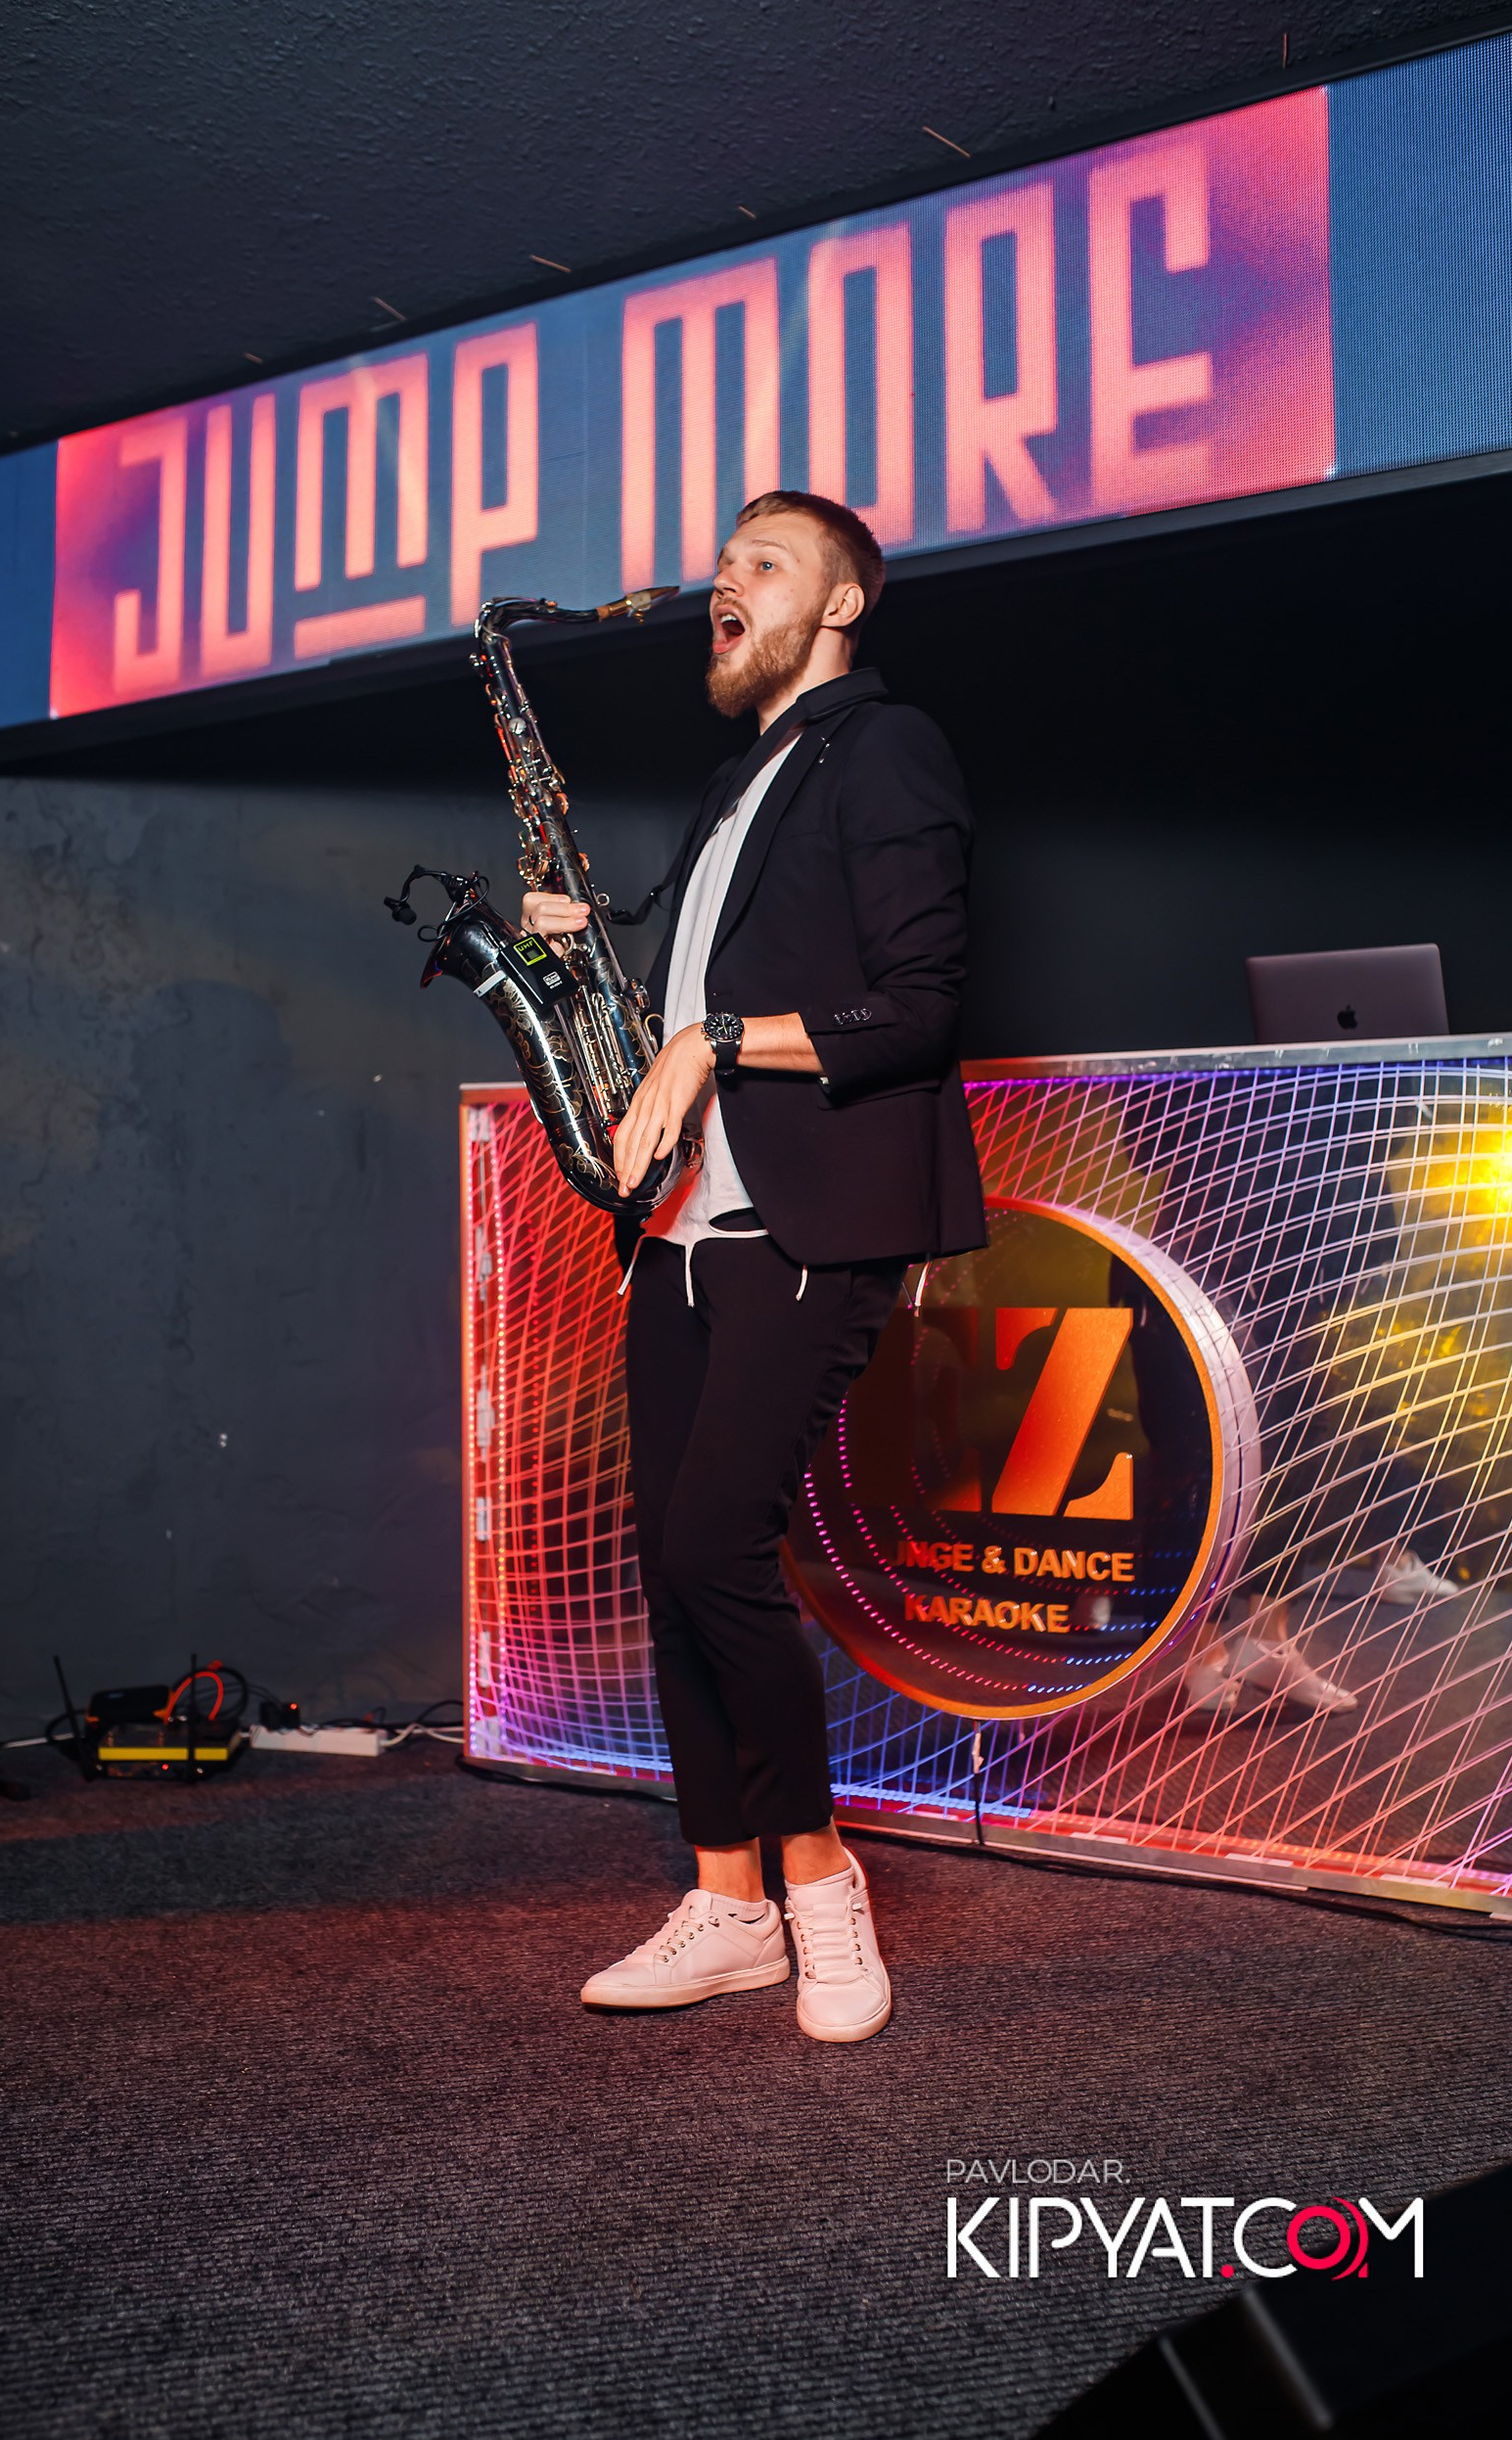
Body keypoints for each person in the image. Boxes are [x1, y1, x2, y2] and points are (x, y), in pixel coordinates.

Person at [520, 491, 985, 2042]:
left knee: (719, 1544)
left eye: (765, 563)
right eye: (725, 564)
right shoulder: (738, 784)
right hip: (680, 1234)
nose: (726, 581)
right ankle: (727, 1904)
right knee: (674, 1562)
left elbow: (918, 1010)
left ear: (840, 605)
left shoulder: (888, 748)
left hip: (808, 1224)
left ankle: (821, 1884)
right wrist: (593, 962)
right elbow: (698, 1012)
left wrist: (711, 1038)